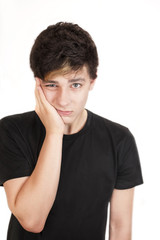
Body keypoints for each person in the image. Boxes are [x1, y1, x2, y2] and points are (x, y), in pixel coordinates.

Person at [0, 22, 143, 240]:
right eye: (52, 85)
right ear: (38, 84)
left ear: (92, 82)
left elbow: (119, 227)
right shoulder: (12, 131)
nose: (63, 100)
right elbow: (32, 220)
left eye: (75, 85)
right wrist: (55, 132)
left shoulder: (119, 140)